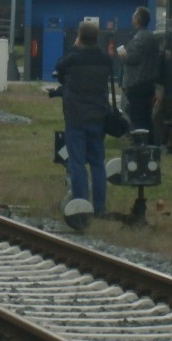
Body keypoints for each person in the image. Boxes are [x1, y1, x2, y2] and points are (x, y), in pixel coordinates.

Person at [53, 20, 113, 216]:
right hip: (98, 115)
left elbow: (59, 69)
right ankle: (100, 207)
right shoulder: (105, 59)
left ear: (79, 37)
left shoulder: (72, 59)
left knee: (77, 162)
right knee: (97, 163)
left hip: (76, 117)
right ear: (97, 37)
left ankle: (80, 205)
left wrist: (74, 47)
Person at [117, 6, 159, 135]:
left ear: (138, 20)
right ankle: (150, 142)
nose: (132, 18)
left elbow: (133, 59)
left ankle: (141, 143)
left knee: (138, 116)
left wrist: (123, 55)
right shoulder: (151, 36)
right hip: (148, 82)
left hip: (138, 83)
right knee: (146, 116)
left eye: (134, 16)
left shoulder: (140, 38)